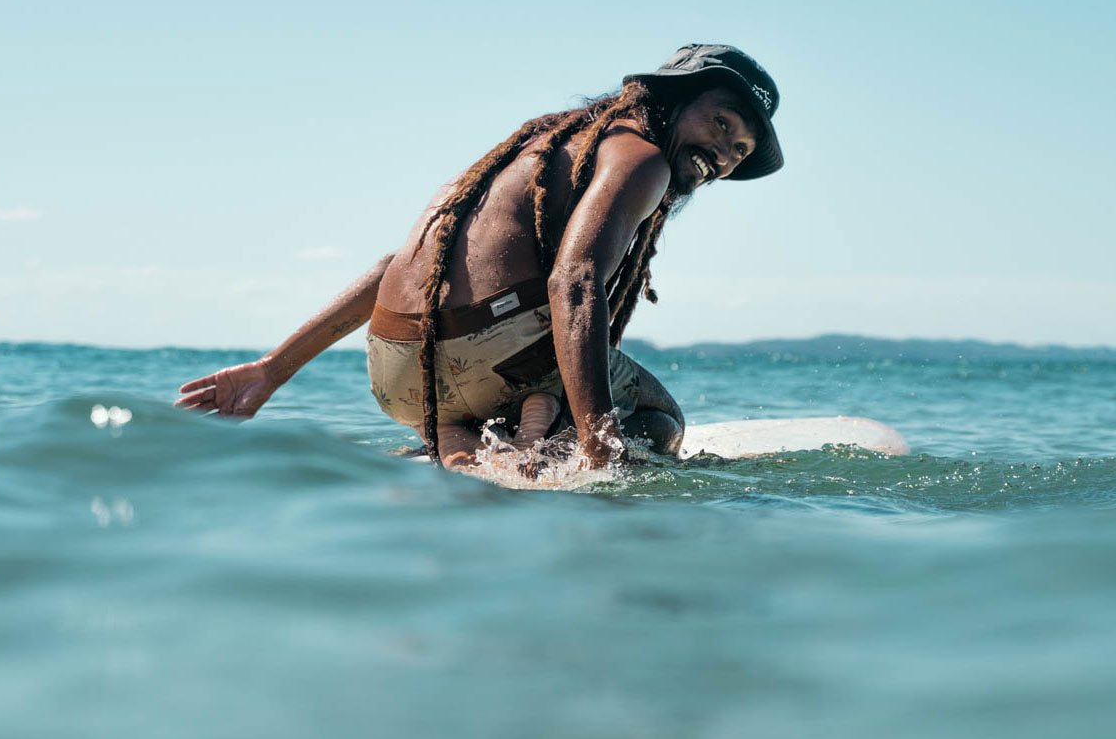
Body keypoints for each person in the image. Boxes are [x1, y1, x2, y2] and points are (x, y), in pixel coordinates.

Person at [176, 45, 784, 473]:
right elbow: (575, 282)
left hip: (395, 376)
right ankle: (539, 435)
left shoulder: (548, 146)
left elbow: (400, 263)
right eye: (719, 122)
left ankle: (459, 435)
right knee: (659, 417)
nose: (723, 153)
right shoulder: (641, 157)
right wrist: (600, 452)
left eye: (739, 148)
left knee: (541, 355)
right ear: (672, 101)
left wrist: (272, 370)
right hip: (491, 354)